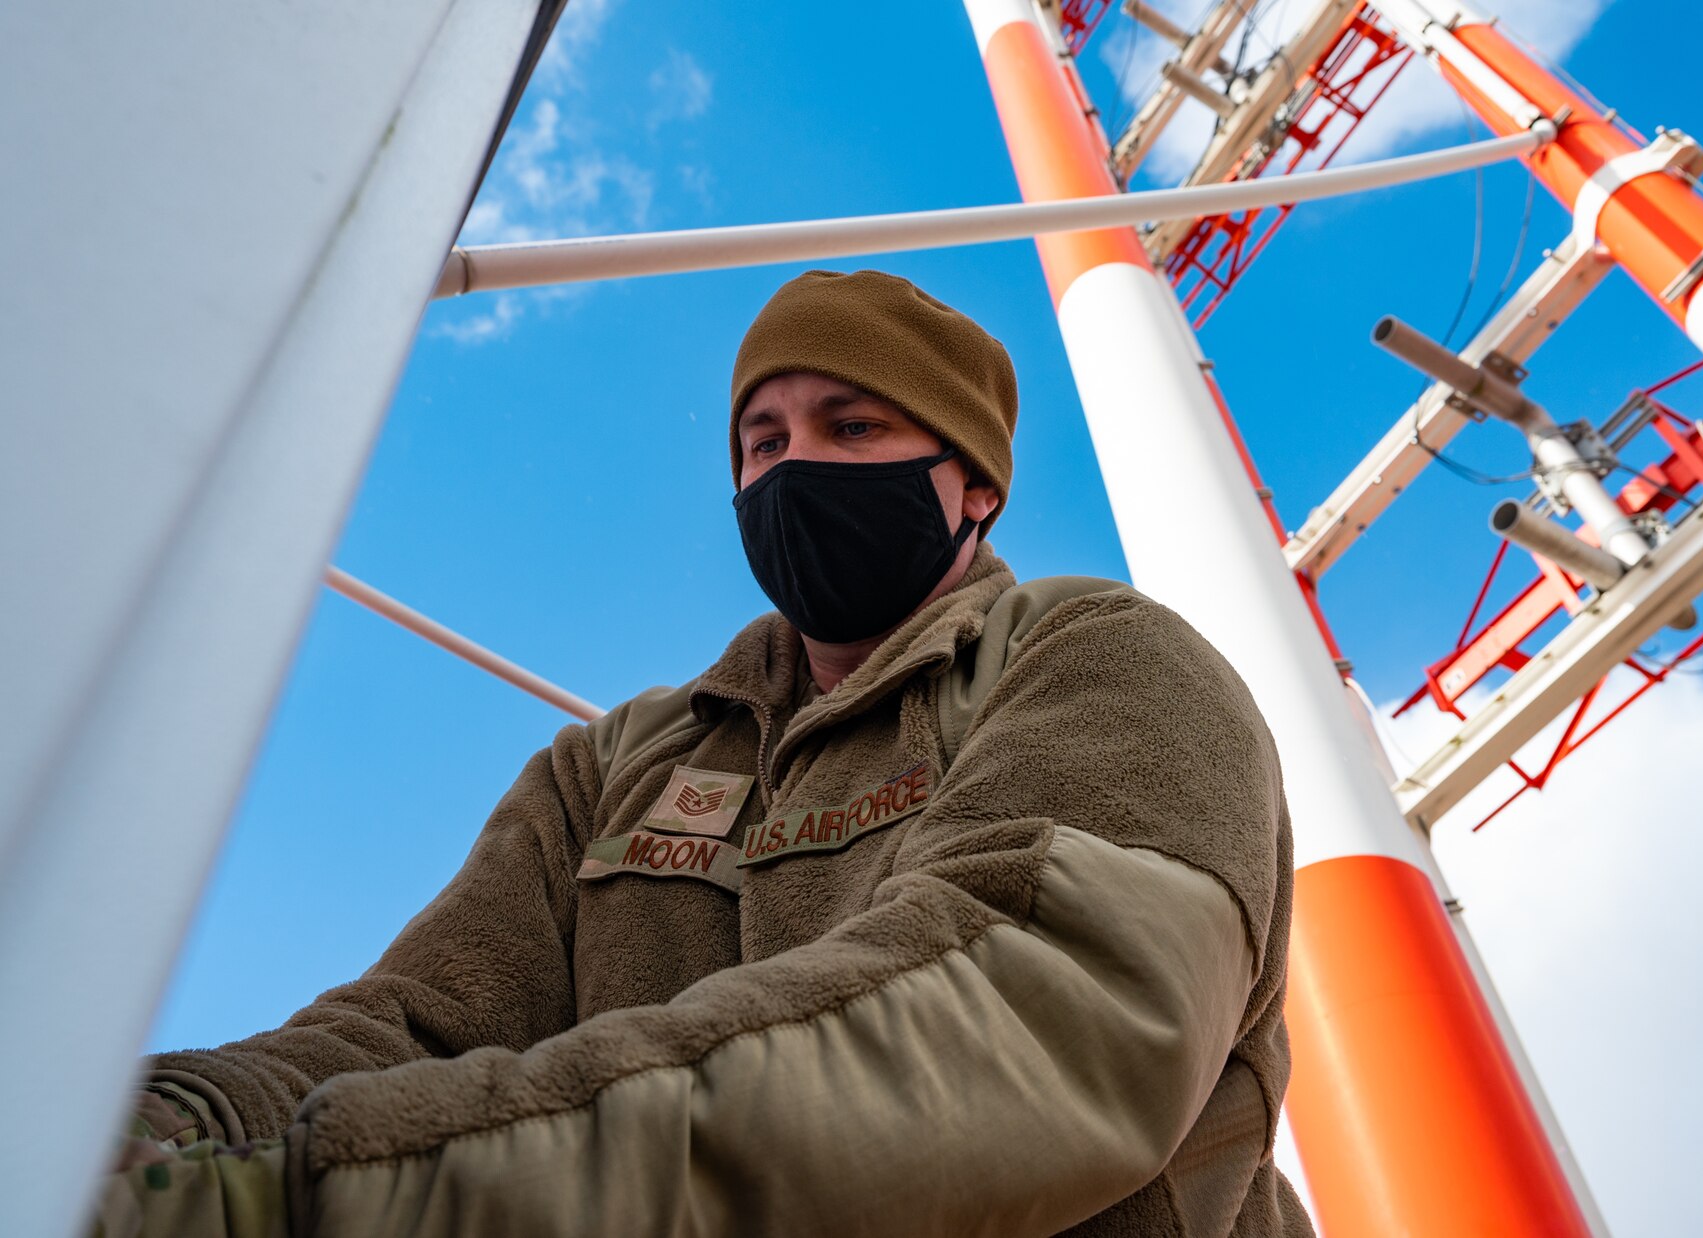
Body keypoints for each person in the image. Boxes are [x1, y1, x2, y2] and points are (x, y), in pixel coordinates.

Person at [99, 270, 1311, 1237]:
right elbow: (413, 1024)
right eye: (759, 440)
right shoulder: (613, 763)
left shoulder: (1101, 657)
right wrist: (130, 1127)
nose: (792, 469)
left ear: (971, 482)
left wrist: (307, 1199)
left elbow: (1035, 1027)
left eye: (852, 424)